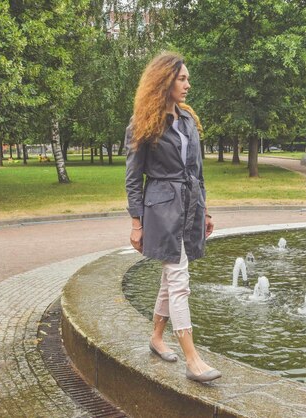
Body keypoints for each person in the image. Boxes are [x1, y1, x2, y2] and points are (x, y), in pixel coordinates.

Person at [125, 51, 220, 383]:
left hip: (190, 208)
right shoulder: (143, 123)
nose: (188, 85)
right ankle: (192, 359)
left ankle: (155, 338)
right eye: (182, 78)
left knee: (171, 277)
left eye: (187, 78)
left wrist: (205, 211)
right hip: (161, 212)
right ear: (165, 81)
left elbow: (198, 171)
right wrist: (136, 224)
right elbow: (133, 179)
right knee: (180, 280)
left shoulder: (188, 120)